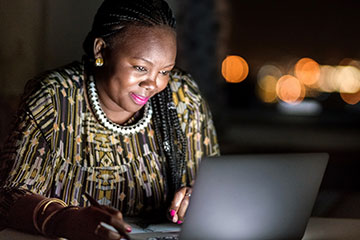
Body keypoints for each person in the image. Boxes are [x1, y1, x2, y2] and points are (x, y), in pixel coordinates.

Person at [0, 0, 220, 239]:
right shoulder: (54, 97)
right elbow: (8, 197)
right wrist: (64, 219)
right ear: (100, 50)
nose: (153, 84)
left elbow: (217, 184)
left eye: (165, 71)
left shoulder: (183, 97)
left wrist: (197, 198)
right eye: (140, 68)